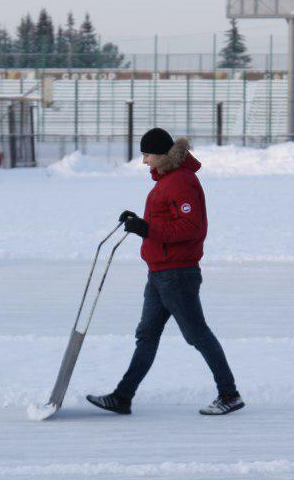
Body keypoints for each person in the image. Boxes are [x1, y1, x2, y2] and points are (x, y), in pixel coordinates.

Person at [87, 128, 245, 417]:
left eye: (147, 154)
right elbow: (164, 222)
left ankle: (229, 394)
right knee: (146, 335)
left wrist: (147, 228)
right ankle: (122, 397)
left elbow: (191, 227)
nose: (144, 161)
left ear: (161, 153)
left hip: (178, 274)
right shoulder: (167, 182)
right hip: (160, 272)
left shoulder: (180, 182)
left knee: (197, 334)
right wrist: (139, 222)